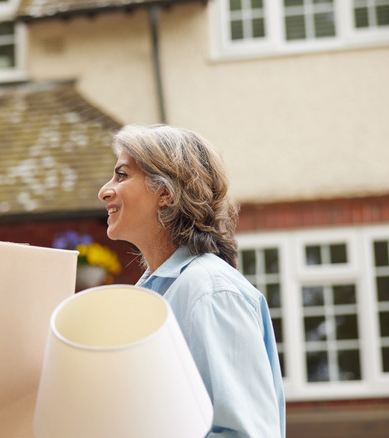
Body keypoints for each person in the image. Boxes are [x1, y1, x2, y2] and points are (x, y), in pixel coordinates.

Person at [98, 124, 285, 437]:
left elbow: (244, 433)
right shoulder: (156, 293)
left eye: (122, 175)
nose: (104, 191)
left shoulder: (210, 291)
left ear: (165, 193)